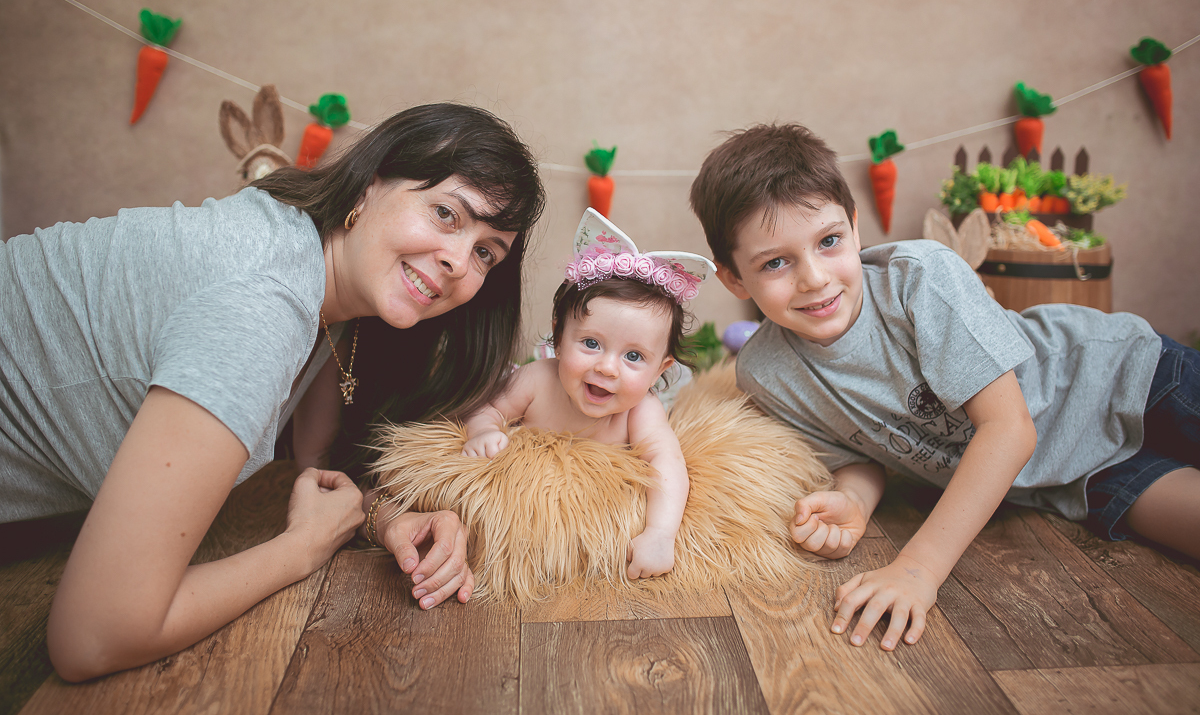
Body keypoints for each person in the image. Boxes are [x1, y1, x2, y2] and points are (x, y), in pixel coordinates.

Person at [0, 102, 545, 681]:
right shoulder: (259, 308)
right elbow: (93, 635)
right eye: (445, 214)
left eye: (487, 251)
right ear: (369, 184)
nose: (460, 262)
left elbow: (315, 467)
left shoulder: (320, 273)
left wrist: (386, 518)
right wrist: (300, 549)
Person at [688, 122, 1200, 653]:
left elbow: (1009, 428)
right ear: (734, 280)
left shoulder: (917, 279)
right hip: (1075, 478)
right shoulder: (766, 373)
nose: (814, 277)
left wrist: (917, 569)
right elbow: (856, 452)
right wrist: (855, 501)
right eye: (775, 262)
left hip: (1130, 380)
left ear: (856, 227)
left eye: (829, 241)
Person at [461, 208, 715, 578]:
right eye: (591, 343)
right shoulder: (536, 380)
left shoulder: (639, 410)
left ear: (660, 369)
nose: (607, 368)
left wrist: (660, 533)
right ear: (559, 338)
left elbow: (667, 465)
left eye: (633, 356)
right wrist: (483, 430)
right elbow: (487, 409)